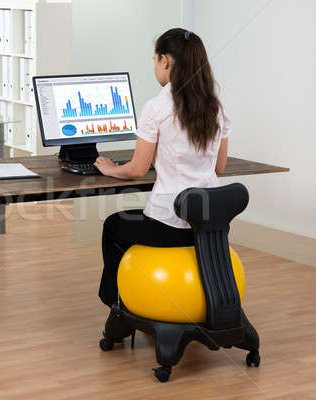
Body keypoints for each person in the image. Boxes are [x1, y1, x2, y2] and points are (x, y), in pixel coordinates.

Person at [94, 28, 230, 308]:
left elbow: (136, 170)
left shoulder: (157, 107)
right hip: (209, 226)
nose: (155, 66)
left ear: (165, 61)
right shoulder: (215, 107)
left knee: (113, 227)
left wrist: (110, 169)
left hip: (170, 224)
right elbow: (219, 166)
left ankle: (117, 306)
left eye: (155, 60)